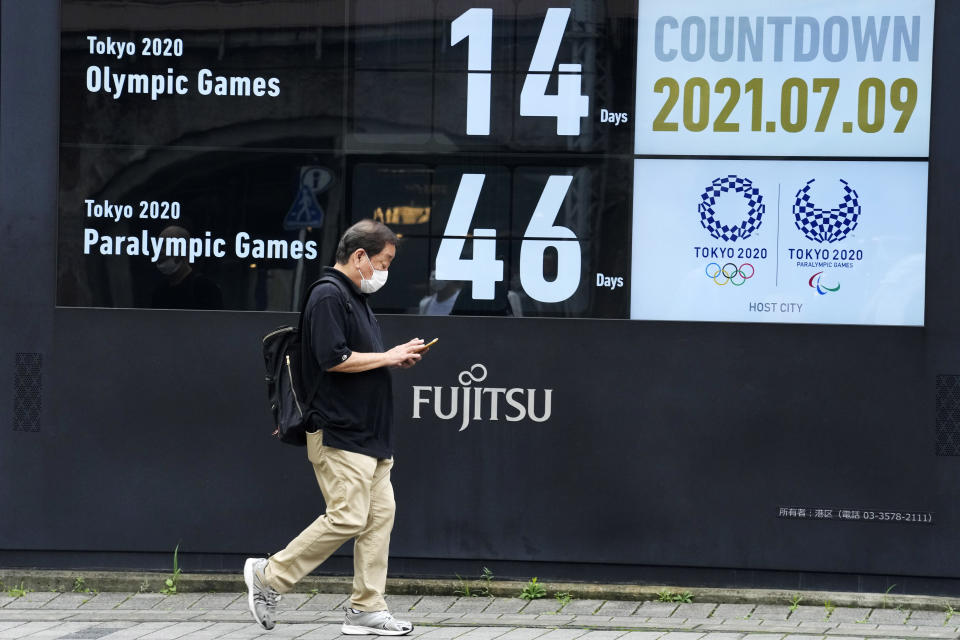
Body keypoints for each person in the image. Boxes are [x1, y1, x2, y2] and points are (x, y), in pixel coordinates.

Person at [244, 219, 427, 635]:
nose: (386, 271)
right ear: (360, 256)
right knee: (347, 517)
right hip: (341, 432)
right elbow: (334, 359)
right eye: (384, 261)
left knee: (379, 518)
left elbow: (355, 359)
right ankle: (268, 576)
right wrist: (390, 356)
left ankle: (366, 609)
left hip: (369, 435)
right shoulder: (328, 295)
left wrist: (393, 358)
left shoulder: (353, 298)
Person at [150, 225, 223, 310]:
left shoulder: (205, 289)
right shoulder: (159, 292)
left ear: (185, 250)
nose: (161, 251)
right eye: (158, 246)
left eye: (166, 245)